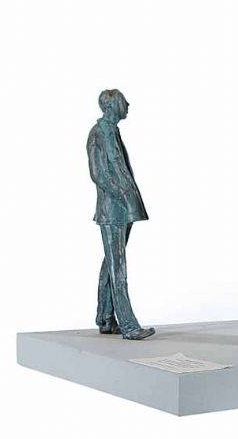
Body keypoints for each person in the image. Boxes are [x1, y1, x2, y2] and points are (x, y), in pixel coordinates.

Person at [86, 89, 155, 340]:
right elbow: (98, 174)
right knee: (118, 266)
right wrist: (122, 194)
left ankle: (105, 317)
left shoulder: (112, 131)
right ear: (112, 105)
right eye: (123, 101)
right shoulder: (98, 133)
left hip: (124, 207)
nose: (128, 104)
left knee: (111, 261)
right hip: (113, 208)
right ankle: (128, 326)